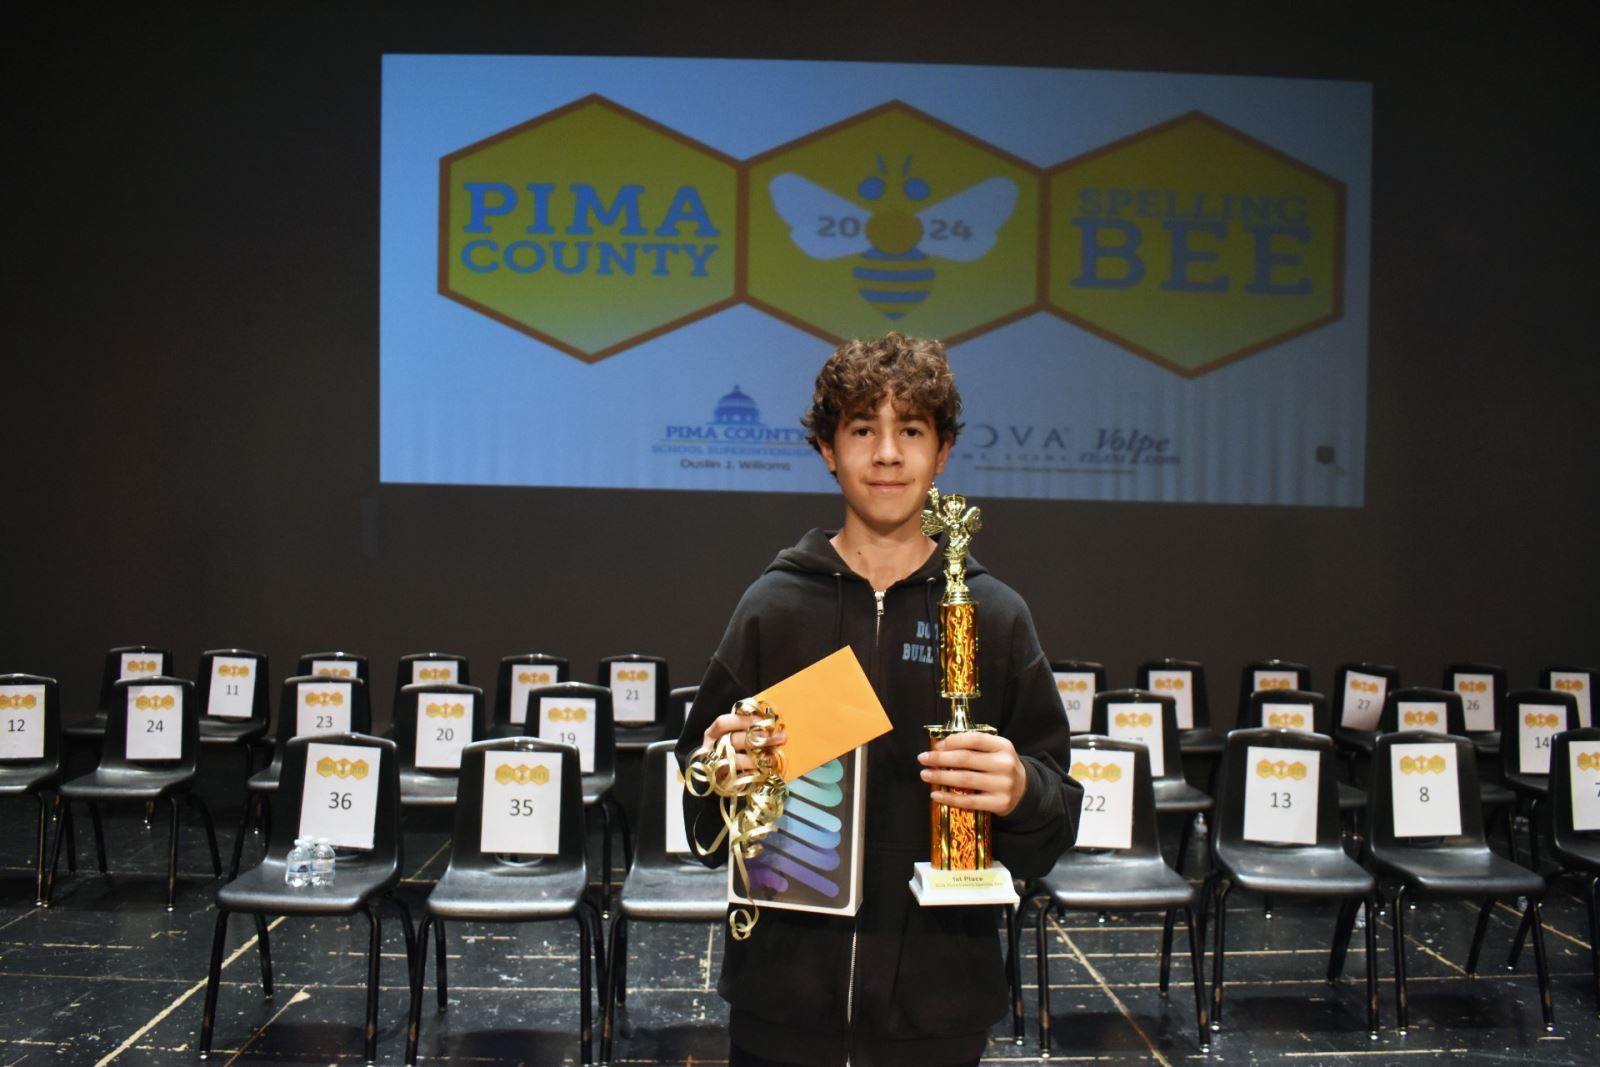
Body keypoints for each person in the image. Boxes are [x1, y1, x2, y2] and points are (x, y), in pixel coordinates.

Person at [678, 332, 1080, 1067]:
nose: (887, 453)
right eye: (863, 428)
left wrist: (1021, 789)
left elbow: (1058, 815)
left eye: (912, 430)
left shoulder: (992, 615)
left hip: (939, 1006)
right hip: (781, 1002)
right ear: (829, 449)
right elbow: (699, 804)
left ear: (944, 450)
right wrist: (721, 776)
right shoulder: (772, 605)